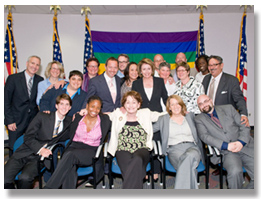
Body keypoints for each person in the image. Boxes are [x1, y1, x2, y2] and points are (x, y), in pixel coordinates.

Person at [4, 94, 73, 189]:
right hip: (24, 152)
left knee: (25, 178)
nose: (64, 107)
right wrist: (41, 149)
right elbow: (28, 136)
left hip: (39, 159)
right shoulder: (42, 116)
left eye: (67, 104)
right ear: (56, 106)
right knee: (4, 179)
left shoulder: (69, 122)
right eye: (61, 104)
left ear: (70, 107)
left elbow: (76, 131)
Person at [44, 96, 111, 189]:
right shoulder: (78, 117)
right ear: (87, 106)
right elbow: (67, 132)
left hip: (90, 151)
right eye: (92, 106)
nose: (95, 110)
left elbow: (118, 116)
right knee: (69, 169)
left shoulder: (105, 120)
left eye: (98, 108)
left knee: (70, 155)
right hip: (74, 147)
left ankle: (49, 188)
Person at [107, 91, 166, 189]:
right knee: (134, 167)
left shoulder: (145, 113)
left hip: (142, 149)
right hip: (122, 149)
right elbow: (103, 117)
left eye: (134, 102)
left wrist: (177, 110)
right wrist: (86, 111)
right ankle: (140, 177)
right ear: (124, 104)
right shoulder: (118, 113)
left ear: (139, 104)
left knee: (137, 159)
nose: (131, 105)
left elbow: (160, 115)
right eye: (128, 102)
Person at [195, 95, 254, 189]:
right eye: (200, 104)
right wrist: (226, 146)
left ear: (211, 100)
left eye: (205, 101)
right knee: (235, 172)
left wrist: (241, 142)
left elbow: (243, 125)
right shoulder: (199, 119)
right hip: (226, 152)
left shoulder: (228, 108)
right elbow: (205, 137)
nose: (204, 105)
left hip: (245, 146)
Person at [153, 95, 204, 189]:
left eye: (177, 103)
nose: (175, 106)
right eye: (172, 104)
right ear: (169, 107)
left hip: (192, 148)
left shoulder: (190, 116)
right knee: (190, 167)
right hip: (174, 150)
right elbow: (150, 129)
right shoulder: (163, 119)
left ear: (181, 105)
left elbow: (205, 122)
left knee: (189, 157)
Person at [132, 58, 168, 181]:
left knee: (156, 144)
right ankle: (144, 169)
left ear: (152, 69)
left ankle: (156, 170)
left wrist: (171, 111)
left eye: (148, 68)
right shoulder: (136, 84)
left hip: (157, 117)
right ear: (140, 71)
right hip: (142, 118)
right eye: (144, 69)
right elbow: (134, 101)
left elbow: (165, 98)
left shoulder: (159, 81)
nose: (146, 71)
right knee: (143, 145)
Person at [4, 55, 44, 155]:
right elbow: (6, 101)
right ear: (27, 64)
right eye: (32, 63)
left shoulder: (40, 80)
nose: (34, 66)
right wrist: (10, 121)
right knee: (14, 148)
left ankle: (26, 170)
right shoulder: (13, 78)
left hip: (32, 121)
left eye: (37, 65)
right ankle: (12, 170)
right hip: (15, 121)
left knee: (30, 148)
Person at [202, 55, 249, 127]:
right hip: (207, 119)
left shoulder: (231, 80)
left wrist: (243, 114)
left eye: (215, 64)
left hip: (225, 120)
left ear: (221, 65)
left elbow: (239, 99)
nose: (212, 67)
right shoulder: (206, 79)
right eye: (209, 65)